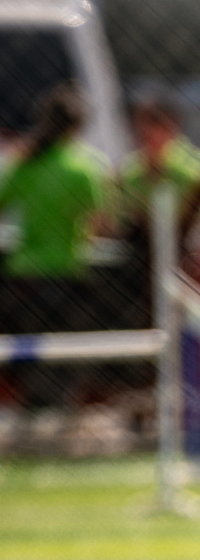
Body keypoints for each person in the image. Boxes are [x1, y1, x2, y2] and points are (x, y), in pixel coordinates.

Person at [0, 85, 110, 408]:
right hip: (65, 272)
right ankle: (59, 410)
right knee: (64, 350)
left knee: (26, 349)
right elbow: (102, 224)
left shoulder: (24, 163)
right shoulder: (85, 168)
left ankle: (31, 406)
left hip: (22, 276)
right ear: (78, 127)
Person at [113, 98, 200, 329]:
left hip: (188, 261)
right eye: (141, 133)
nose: (146, 139)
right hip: (144, 266)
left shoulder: (196, 170)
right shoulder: (130, 173)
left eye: (152, 130)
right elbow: (119, 219)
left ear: (171, 129)